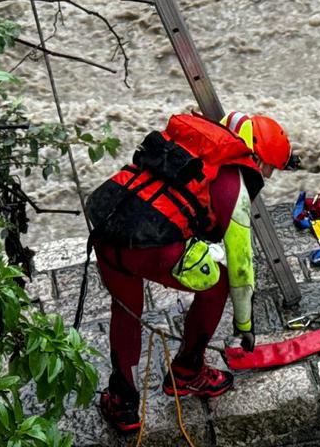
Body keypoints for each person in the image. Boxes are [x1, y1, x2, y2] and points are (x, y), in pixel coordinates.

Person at [85, 110, 291, 433]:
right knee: (218, 283)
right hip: (151, 248)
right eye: (269, 168)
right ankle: (187, 373)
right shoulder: (234, 186)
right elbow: (241, 268)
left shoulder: (194, 143)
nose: (267, 175)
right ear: (258, 158)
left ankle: (123, 403)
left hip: (108, 228)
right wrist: (245, 325)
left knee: (126, 311)